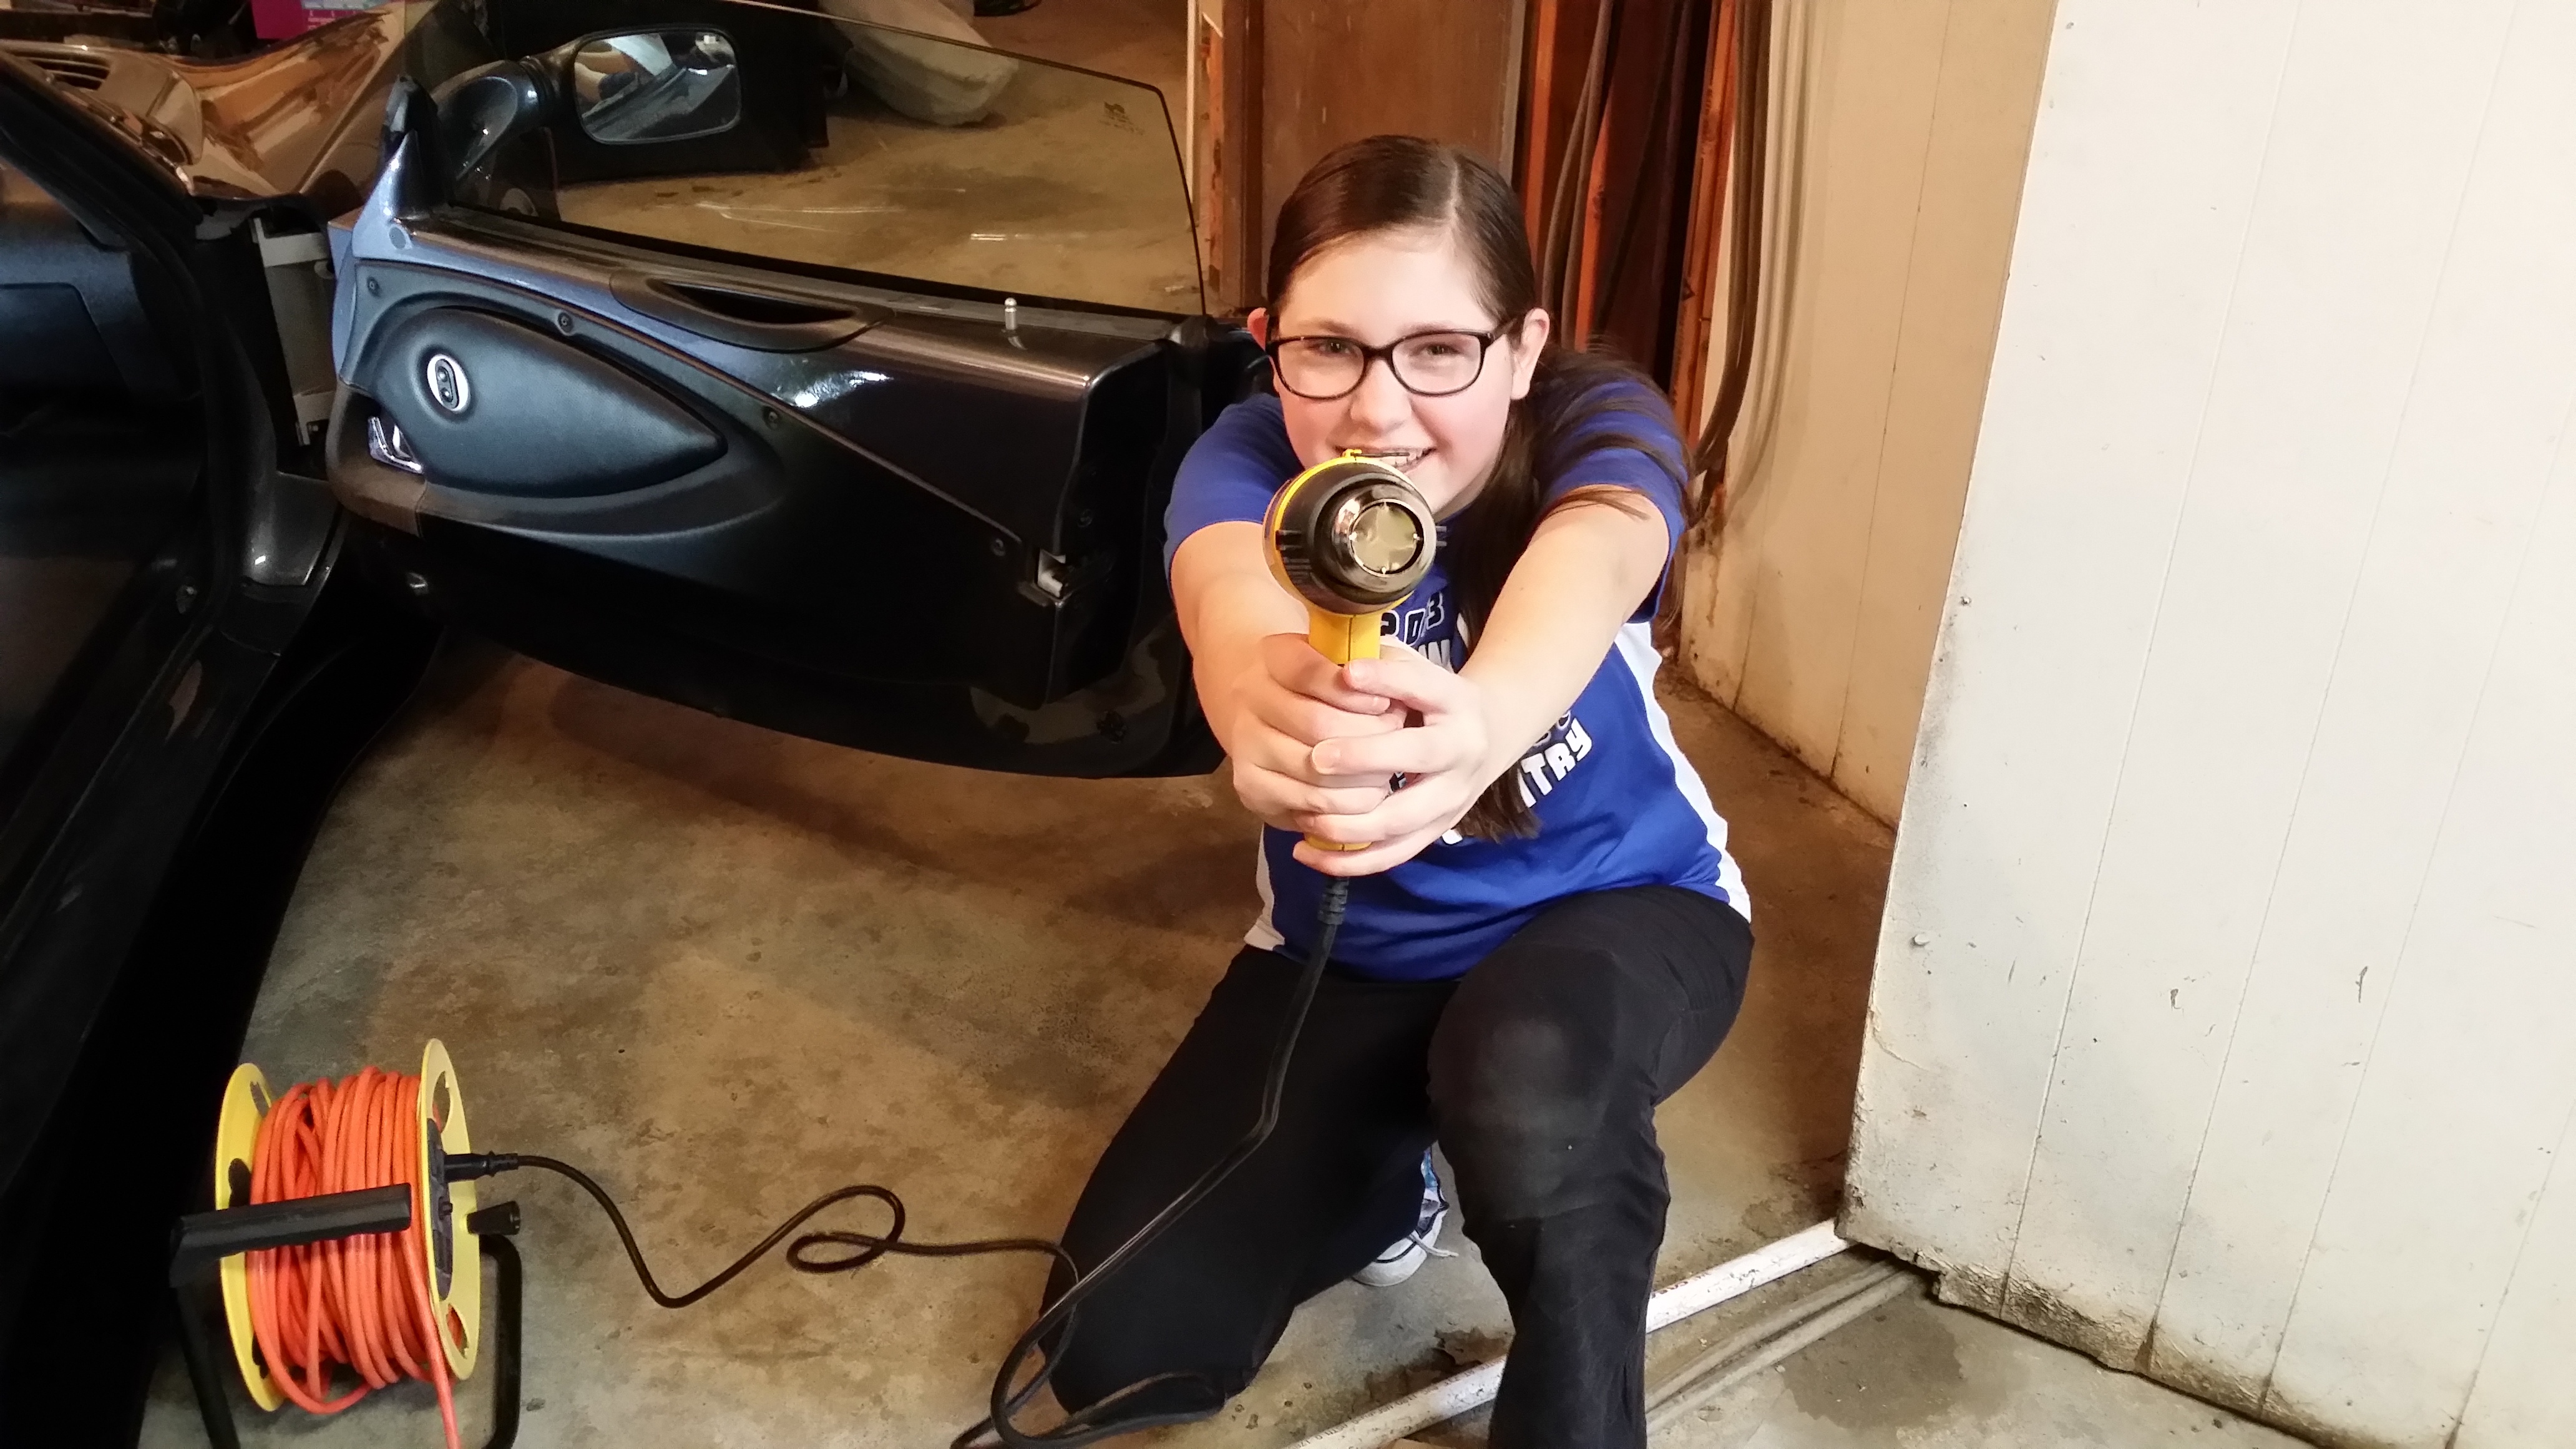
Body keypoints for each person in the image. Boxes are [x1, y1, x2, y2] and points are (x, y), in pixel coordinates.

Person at [1045, 135, 1754, 1449]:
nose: (1378, 414)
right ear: (1270, 345)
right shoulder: (1242, 463)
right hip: (1354, 956)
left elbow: (1603, 550)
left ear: (1523, 349)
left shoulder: (1596, 420)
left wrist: (1479, 730)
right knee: (1120, 1351)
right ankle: (1389, 1179)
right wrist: (1255, 703)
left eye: (1439, 351)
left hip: (1622, 911)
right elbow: (1227, 594)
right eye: (1330, 349)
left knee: (1529, 1071)